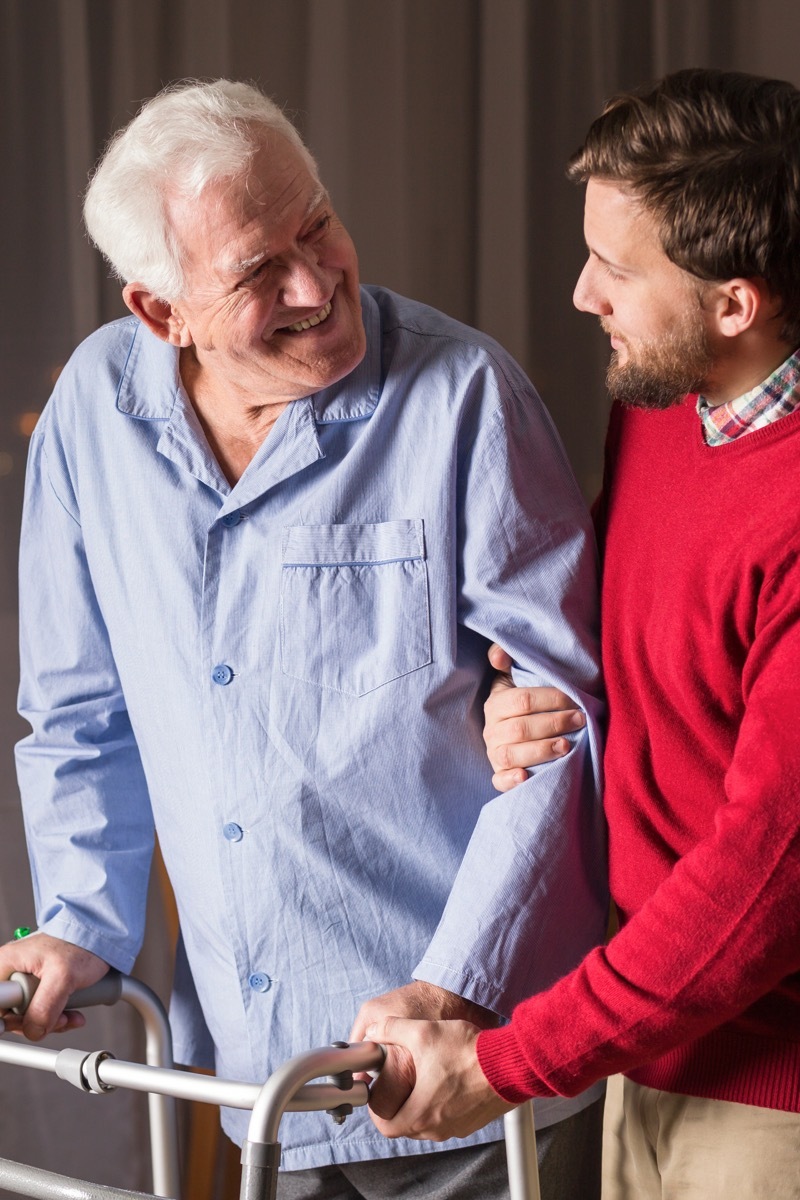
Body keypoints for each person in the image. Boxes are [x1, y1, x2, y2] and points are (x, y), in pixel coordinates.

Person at [1, 80, 608, 1198]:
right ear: (160, 311)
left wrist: (450, 985)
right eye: (254, 271)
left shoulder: (463, 394)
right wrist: (83, 918)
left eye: (316, 222)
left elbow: (567, 727)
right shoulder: (93, 411)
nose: (318, 281)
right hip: (253, 1070)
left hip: (463, 1065)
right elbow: (83, 709)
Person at [362, 69, 800, 1200]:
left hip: (769, 1105)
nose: (578, 292)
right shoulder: (662, 400)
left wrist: (509, 1062)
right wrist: (521, 696)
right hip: (646, 1054)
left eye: (615, 267)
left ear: (734, 304)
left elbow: (756, 892)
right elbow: (615, 647)